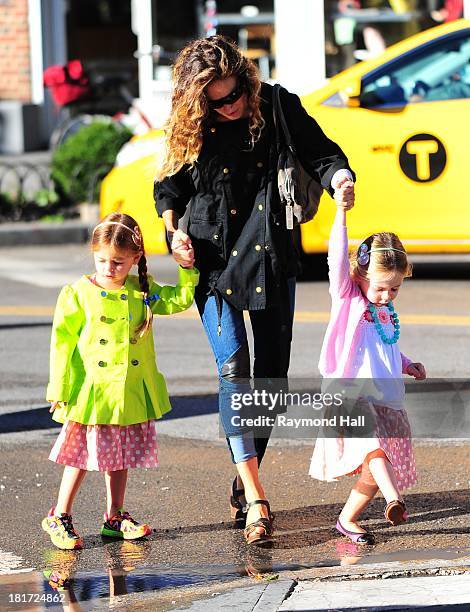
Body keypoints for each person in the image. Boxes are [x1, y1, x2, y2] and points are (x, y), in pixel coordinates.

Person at [154, 35, 355, 545]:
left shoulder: (279, 104)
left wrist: (340, 180)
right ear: (199, 101)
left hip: (270, 255)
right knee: (234, 371)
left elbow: (323, 153)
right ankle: (256, 492)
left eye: (235, 93)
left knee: (270, 382)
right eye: (218, 101)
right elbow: (170, 190)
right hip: (212, 259)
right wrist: (173, 233)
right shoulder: (191, 126)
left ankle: (245, 478)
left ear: (246, 78)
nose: (232, 106)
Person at [42, 212, 199, 550]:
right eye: (101, 260)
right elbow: (62, 344)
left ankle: (114, 517)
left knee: (120, 456)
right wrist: (59, 389)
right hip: (92, 392)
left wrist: (186, 269)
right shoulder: (77, 293)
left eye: (117, 261)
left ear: (135, 259)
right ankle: (61, 515)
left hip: (127, 389)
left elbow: (179, 300)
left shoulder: (141, 289)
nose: (108, 268)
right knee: (80, 457)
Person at [309, 180, 426, 544]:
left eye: (394, 289)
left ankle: (348, 519)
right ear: (359, 276)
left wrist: (406, 363)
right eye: (380, 287)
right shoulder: (349, 300)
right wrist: (341, 212)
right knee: (372, 448)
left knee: (374, 470)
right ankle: (395, 501)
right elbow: (335, 257)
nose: (387, 294)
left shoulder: (386, 312)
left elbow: (383, 349)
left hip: (383, 397)